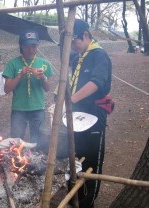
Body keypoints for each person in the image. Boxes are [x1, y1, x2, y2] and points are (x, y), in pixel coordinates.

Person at [70, 19, 112, 208]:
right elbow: (70, 80)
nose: (73, 46)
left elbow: (97, 82)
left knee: (92, 161)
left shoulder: (99, 55)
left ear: (86, 35)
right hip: (75, 116)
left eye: (75, 41)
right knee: (75, 155)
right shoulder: (76, 56)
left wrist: (71, 100)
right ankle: (74, 196)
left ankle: (87, 203)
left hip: (94, 116)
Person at [2, 29, 54, 145]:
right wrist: (20, 75)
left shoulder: (44, 64)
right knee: (15, 141)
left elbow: (47, 88)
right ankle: (15, 162)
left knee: (38, 141)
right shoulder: (13, 64)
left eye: (34, 46)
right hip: (19, 109)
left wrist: (43, 78)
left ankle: (36, 162)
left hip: (38, 108)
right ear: (21, 46)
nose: (31, 50)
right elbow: (7, 89)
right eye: (27, 46)